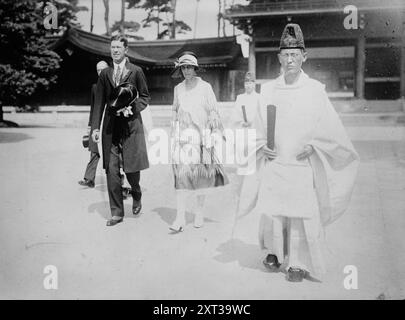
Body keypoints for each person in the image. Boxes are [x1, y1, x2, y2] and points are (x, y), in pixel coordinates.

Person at [240, 23, 359, 282]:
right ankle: (274, 252)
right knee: (274, 208)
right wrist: (263, 145)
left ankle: (296, 262)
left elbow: (329, 127)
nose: (290, 59)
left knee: (299, 212)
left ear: (304, 56)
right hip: (276, 160)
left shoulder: (315, 89)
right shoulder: (269, 89)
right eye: (286, 54)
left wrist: (315, 144)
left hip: (301, 161)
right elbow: (259, 124)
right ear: (279, 57)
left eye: (295, 54)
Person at [91, 35, 150, 227]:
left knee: (132, 168)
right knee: (112, 170)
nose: (115, 50)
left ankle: (136, 192)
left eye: (118, 47)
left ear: (126, 50)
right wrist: (95, 128)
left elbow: (145, 96)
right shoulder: (105, 74)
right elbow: (99, 102)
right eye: (112, 47)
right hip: (110, 128)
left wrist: (132, 108)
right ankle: (117, 213)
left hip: (131, 125)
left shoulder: (136, 71)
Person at [169, 51, 228, 232]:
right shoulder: (178, 89)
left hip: (202, 138)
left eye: (189, 67)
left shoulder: (205, 87)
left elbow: (213, 110)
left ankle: (199, 212)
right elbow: (174, 110)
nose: (186, 71)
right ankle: (179, 217)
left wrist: (212, 122)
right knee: (181, 177)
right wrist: (174, 130)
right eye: (183, 67)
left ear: (195, 69)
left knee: (201, 178)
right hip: (183, 138)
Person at [79, 61, 109, 188]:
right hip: (97, 123)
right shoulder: (95, 88)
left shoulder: (114, 86)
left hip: (109, 124)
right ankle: (89, 178)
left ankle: (119, 181)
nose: (100, 72)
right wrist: (90, 126)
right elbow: (93, 108)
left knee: (111, 154)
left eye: (103, 69)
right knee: (94, 150)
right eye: (98, 70)